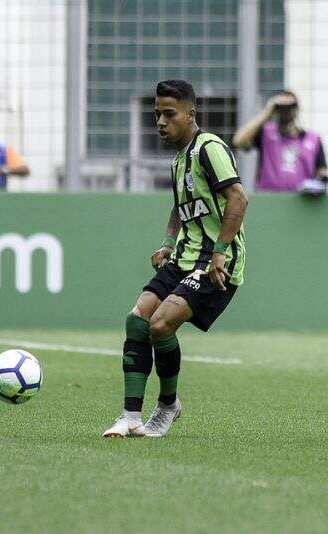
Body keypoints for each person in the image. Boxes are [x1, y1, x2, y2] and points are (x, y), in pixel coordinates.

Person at [103, 80, 249, 438]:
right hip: (184, 258)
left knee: (160, 324)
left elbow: (239, 199)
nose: (161, 122)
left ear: (190, 114)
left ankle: (167, 406)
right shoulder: (180, 159)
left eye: (169, 114)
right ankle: (130, 415)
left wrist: (219, 252)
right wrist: (168, 242)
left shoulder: (208, 148)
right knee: (137, 320)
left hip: (215, 262)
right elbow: (181, 206)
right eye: (156, 114)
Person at [232, 90, 328, 193]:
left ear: (297, 108)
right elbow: (239, 141)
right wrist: (268, 111)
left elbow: (323, 173)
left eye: (290, 107)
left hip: (303, 202)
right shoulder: (266, 134)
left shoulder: (313, 139)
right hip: (269, 199)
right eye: (281, 107)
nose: (286, 111)